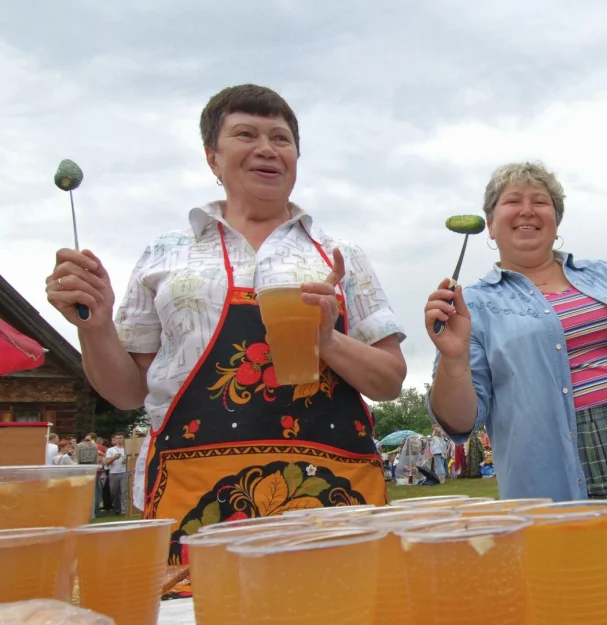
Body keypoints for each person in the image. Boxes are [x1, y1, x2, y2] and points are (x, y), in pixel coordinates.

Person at [45, 85, 406, 560]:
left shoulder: (340, 255)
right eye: (245, 134)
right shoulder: (165, 254)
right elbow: (128, 392)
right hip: (198, 501)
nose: (266, 148)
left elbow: (390, 380)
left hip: (332, 498)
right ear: (212, 158)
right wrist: (94, 328)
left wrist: (328, 342)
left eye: (281, 138)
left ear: (297, 157)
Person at [424, 161, 607, 501]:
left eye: (540, 202)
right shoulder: (472, 305)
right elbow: (459, 422)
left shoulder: (605, 274)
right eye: (513, 201)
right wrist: (454, 361)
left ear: (556, 222)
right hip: (553, 473)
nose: (527, 210)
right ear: (490, 226)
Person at [103, 433, 128, 516]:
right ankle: (118, 509)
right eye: (117, 438)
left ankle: (125, 510)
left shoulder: (127, 449)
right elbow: (107, 463)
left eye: (120, 438)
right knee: (114, 492)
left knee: (124, 491)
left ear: (124, 439)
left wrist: (127, 461)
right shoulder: (110, 450)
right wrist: (114, 458)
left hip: (125, 472)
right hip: (113, 473)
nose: (118, 440)